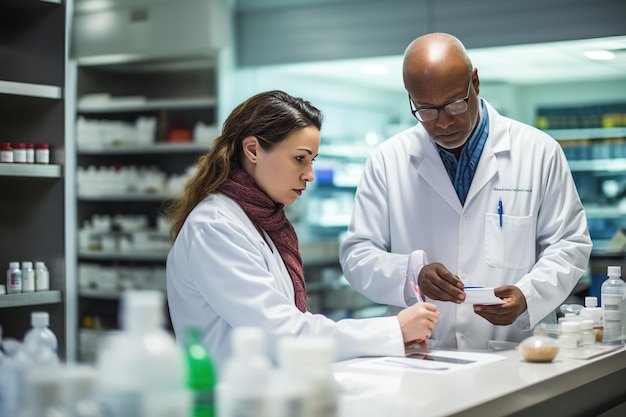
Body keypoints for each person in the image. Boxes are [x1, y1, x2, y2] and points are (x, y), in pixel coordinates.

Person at [339, 33, 592, 350]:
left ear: (475, 82)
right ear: (410, 99)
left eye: (454, 105)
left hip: (514, 352)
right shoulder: (387, 160)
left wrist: (528, 294)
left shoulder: (539, 152)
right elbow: (357, 254)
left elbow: (569, 243)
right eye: (426, 110)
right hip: (425, 354)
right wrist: (411, 273)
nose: (443, 123)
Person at [165, 90, 440, 368]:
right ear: (252, 150)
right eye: (300, 158)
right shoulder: (214, 228)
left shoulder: (261, 223)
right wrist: (393, 330)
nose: (309, 174)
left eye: (312, 160)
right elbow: (283, 334)